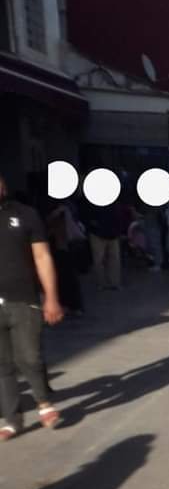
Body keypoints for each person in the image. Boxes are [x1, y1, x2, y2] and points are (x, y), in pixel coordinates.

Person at [0, 176, 64, 440]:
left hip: (24, 299)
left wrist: (51, 297)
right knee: (2, 364)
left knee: (30, 357)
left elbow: (42, 256)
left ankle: (44, 403)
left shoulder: (25, 214)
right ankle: (12, 419)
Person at [84, 196, 123, 291]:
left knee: (107, 259)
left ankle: (110, 283)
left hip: (105, 231)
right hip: (101, 232)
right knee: (106, 259)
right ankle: (106, 283)